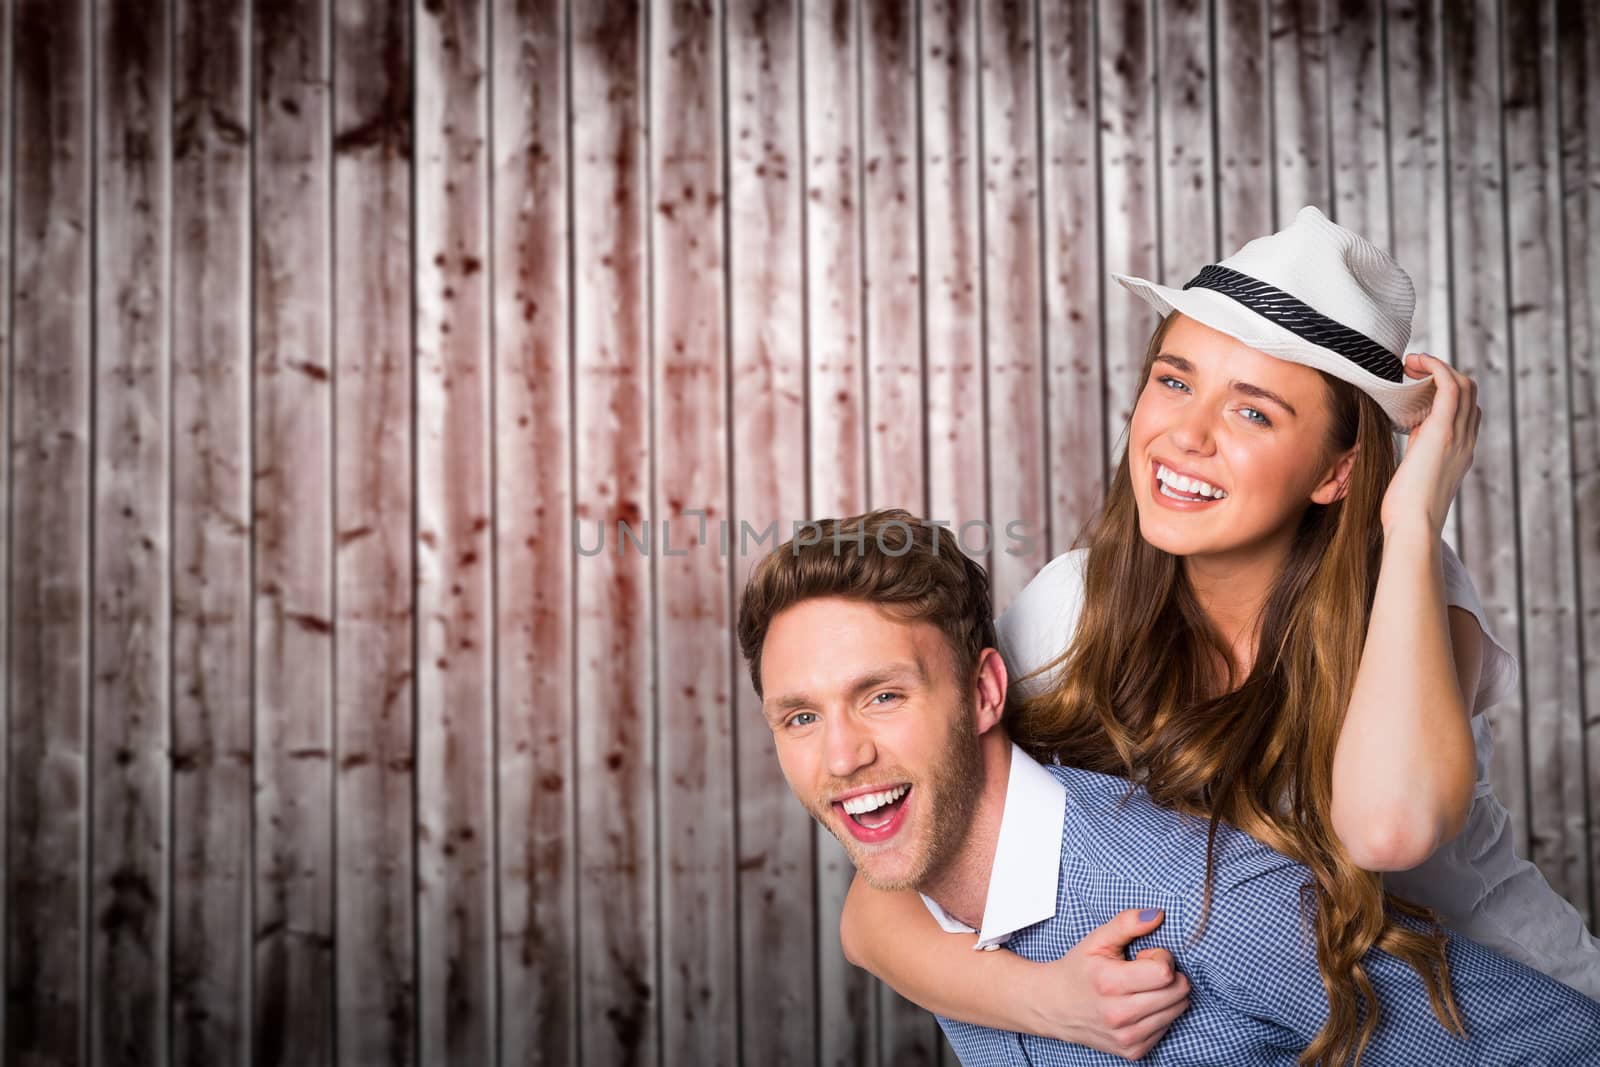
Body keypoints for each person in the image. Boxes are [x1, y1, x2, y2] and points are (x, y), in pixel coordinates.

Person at [839, 203, 1600, 1060]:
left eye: (1253, 413)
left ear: (1338, 469)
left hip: (1514, 1026)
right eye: (1174, 380)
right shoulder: (1072, 607)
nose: (1185, 435)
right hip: (1315, 1030)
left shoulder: (1412, 586)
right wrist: (1045, 999)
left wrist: (1418, 514)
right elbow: (879, 908)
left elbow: (1388, 830)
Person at [736, 509, 1600, 1065]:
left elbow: (1562, 1045)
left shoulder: (1204, 899)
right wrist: (1034, 999)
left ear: (985, 691)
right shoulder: (931, 878)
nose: (842, 756)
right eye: (800, 717)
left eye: (882, 696)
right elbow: (869, 919)